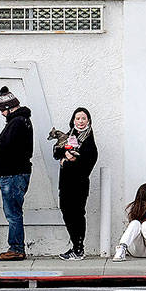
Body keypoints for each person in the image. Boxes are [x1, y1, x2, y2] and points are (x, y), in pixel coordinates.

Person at [0, 86, 33, 261]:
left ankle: (16, 248)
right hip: (15, 174)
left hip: (12, 175)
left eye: (2, 111)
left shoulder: (17, 122)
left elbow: (5, 146)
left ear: (9, 108)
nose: (2, 114)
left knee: (13, 213)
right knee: (14, 212)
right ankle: (16, 247)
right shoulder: (21, 121)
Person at [55, 107, 99, 260]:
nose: (80, 121)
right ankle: (75, 246)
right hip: (65, 184)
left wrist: (66, 163)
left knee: (77, 215)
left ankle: (79, 249)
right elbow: (56, 152)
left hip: (79, 185)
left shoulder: (89, 142)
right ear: (73, 120)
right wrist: (65, 154)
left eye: (83, 118)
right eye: (77, 118)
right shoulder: (69, 136)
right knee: (66, 213)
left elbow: (85, 165)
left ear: (89, 121)